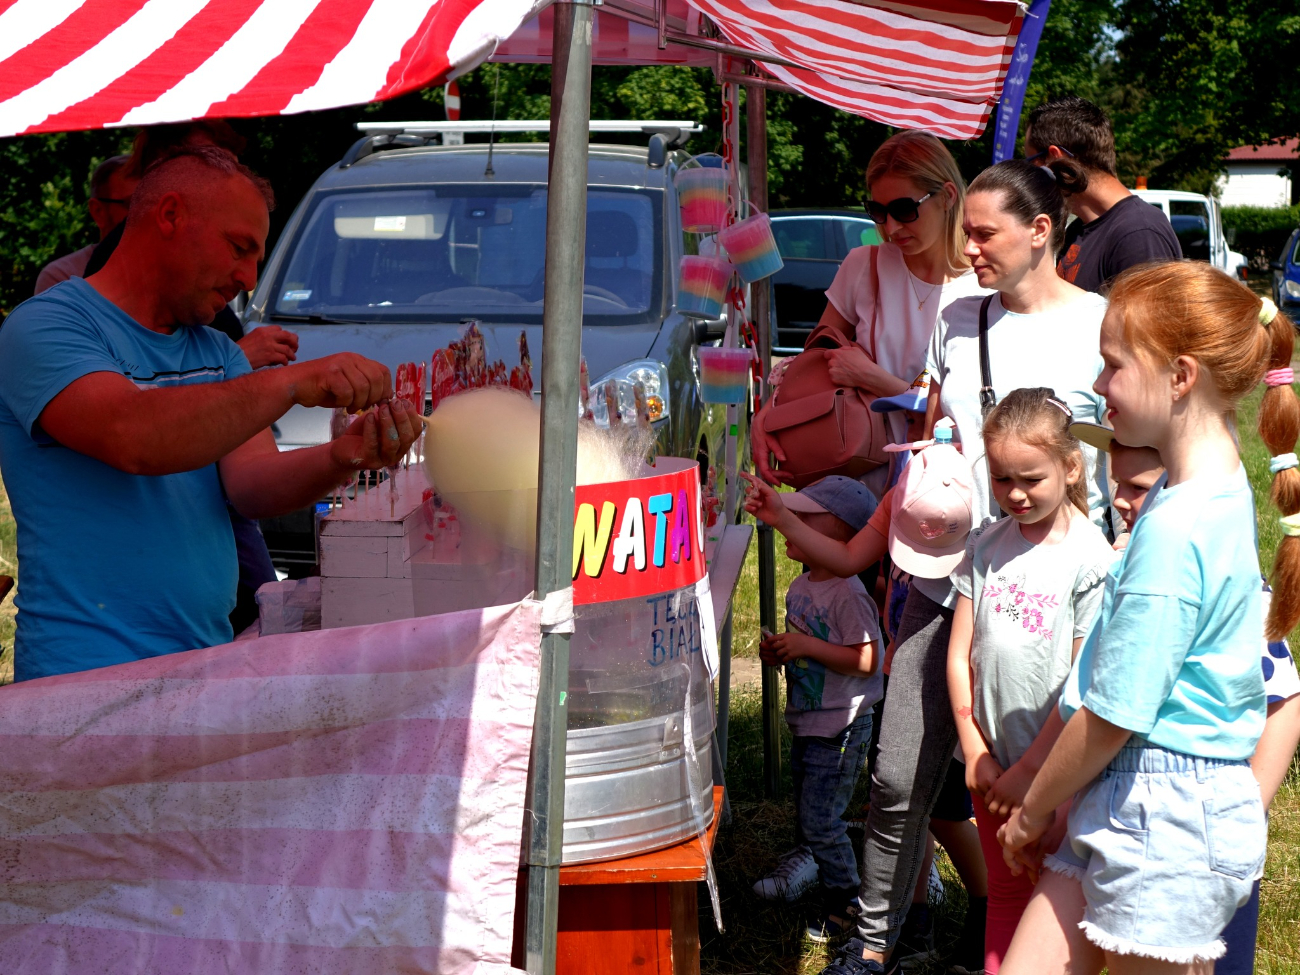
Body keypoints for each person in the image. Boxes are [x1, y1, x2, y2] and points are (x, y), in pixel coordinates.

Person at [798, 159, 1108, 975]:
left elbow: (1116, 474)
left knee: (1053, 786)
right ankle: (874, 944)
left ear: (1042, 231)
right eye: (964, 229)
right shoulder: (959, 319)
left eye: (983, 233)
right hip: (945, 583)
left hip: (1058, 598)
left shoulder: (1102, 328)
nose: (966, 248)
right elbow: (937, 434)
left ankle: (1040, 941)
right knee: (899, 771)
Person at [0, 145, 420, 682]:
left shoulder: (215, 350)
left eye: (257, 260)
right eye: (238, 248)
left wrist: (345, 453)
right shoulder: (46, 327)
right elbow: (134, 435)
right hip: (84, 674)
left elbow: (253, 486)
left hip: (204, 665)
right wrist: (290, 381)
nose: (248, 278)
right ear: (170, 215)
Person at [997, 265, 1299, 974]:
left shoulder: (1177, 528)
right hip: (1132, 796)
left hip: (1165, 821)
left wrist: (1036, 807)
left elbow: (1116, 711)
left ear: (1181, 375)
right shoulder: (1198, 487)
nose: (1098, 387)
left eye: (1112, 366)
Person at [1069, 420, 1300, 975]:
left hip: (1196, 834)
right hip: (1124, 825)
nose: (1121, 501)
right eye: (1115, 484)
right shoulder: (1129, 573)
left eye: (1138, 487)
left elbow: (1286, 703)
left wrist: (1249, 805)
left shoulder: (1225, 587)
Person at [947, 389, 1117, 974]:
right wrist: (974, 750)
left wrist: (1031, 775)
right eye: (1000, 479)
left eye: (1030, 478)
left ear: (1070, 467)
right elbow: (958, 654)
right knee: (1006, 887)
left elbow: (1081, 682)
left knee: (1055, 895)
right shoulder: (986, 548)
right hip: (992, 771)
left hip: (1059, 776)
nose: (1014, 493)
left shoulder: (1090, 559)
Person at [753, 130, 987, 492]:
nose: (891, 227)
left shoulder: (982, 285)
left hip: (943, 485)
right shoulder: (866, 264)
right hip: (859, 472)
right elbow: (812, 363)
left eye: (904, 209)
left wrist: (873, 378)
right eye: (878, 211)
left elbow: (972, 413)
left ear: (947, 196)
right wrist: (767, 417)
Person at [750, 476, 883, 942]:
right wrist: (784, 652)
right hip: (813, 719)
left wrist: (806, 644)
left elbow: (870, 660)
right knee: (813, 814)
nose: (792, 528)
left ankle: (847, 903)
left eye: (804, 520)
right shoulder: (801, 586)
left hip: (842, 726)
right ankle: (835, 878)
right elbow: (813, 650)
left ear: (839, 535)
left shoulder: (847, 591)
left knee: (820, 819)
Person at [1023, 96, 1181, 292]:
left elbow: (1152, 322)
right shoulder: (1078, 229)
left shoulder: (1139, 233)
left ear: (1055, 158)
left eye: (1031, 163)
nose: (1031, 176)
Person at [33, 155, 138, 294]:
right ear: (98, 211)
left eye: (152, 203)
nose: (146, 213)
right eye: (132, 204)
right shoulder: (62, 279)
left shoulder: (170, 271)